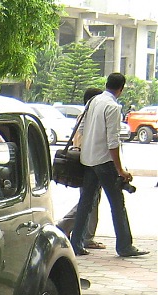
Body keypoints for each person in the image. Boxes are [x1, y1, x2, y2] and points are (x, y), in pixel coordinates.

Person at [71, 73, 148, 258]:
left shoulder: (93, 101)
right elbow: (113, 142)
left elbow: (80, 129)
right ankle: (124, 246)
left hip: (88, 160)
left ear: (107, 84)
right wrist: (120, 170)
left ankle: (76, 244)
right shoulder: (113, 106)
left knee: (86, 203)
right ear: (121, 89)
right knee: (117, 204)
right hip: (104, 162)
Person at [56, 87, 105, 250]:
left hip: (84, 161)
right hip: (88, 162)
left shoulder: (84, 116)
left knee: (90, 200)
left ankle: (85, 235)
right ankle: (66, 227)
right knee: (88, 200)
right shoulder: (90, 118)